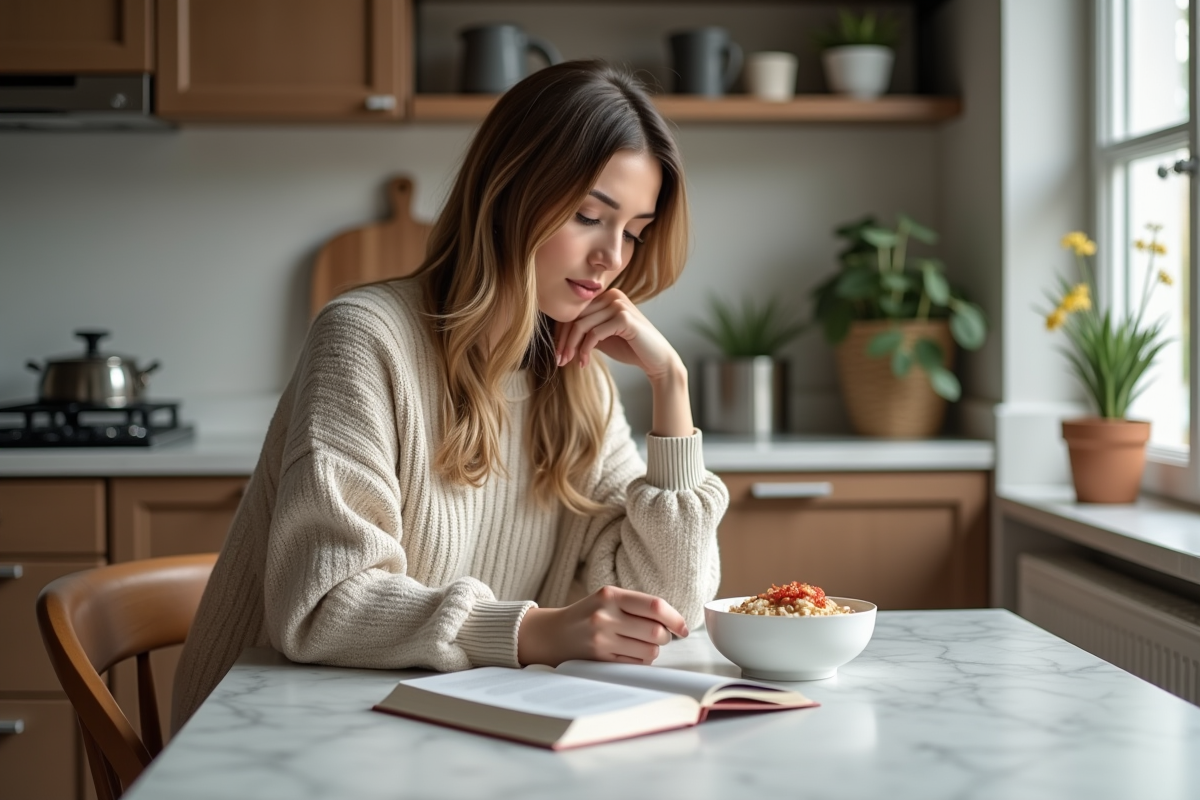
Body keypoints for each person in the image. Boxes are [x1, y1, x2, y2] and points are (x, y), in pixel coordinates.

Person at [171, 60, 730, 732]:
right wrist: (535, 632)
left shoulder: (579, 378)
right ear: (510, 193)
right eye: (589, 215)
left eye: (635, 232)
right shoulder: (365, 340)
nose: (615, 256)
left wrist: (672, 386)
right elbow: (324, 606)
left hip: (447, 730)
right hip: (273, 739)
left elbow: (671, 604)